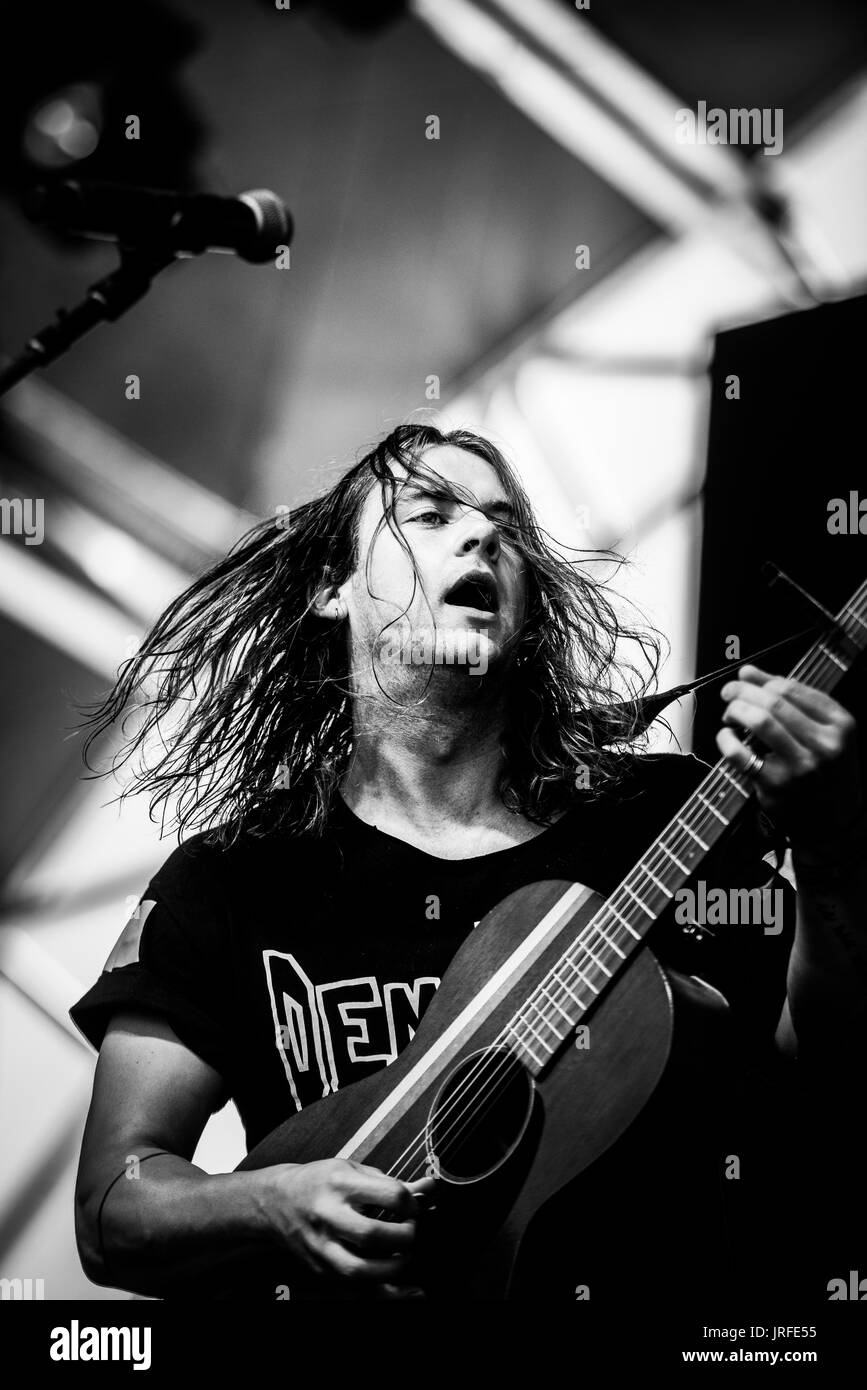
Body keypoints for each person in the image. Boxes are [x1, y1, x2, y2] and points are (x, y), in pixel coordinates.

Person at [70, 423, 866, 1304]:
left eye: (504, 523)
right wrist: (271, 1201)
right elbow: (113, 1207)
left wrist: (833, 850)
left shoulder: (662, 816)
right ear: (333, 589)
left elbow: (825, 1064)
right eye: (430, 513)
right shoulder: (230, 881)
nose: (483, 534)